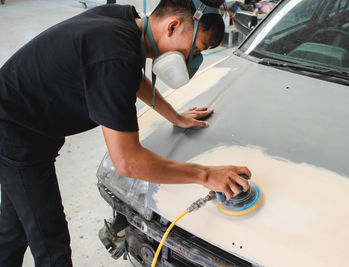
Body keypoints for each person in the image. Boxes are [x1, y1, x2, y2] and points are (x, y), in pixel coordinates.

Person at [0, 0, 251, 266]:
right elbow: (128, 161)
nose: (192, 59)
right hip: (17, 134)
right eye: (195, 48)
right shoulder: (115, 55)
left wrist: (174, 116)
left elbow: (132, 76)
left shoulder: (124, 24)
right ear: (173, 26)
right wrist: (206, 175)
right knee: (51, 246)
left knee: (14, 230)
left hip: (22, 120)